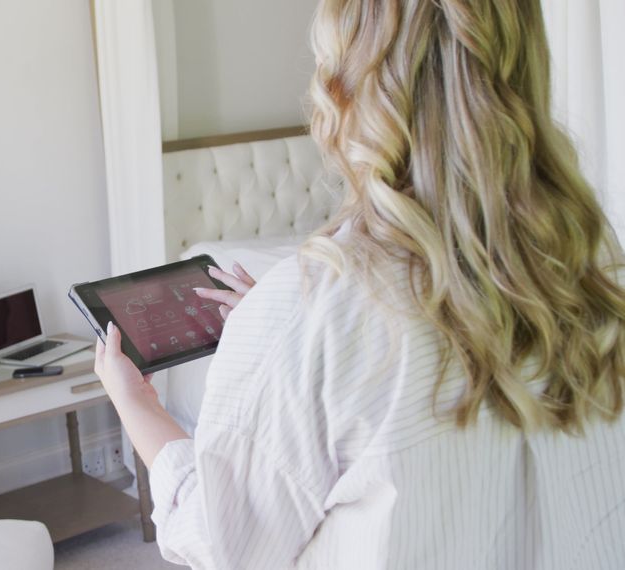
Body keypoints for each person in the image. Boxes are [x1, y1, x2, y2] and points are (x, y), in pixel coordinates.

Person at [93, 0, 625, 568]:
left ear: (346, 90)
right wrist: (293, 336)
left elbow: (224, 544)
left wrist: (139, 404)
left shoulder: (312, 307)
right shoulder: (590, 260)